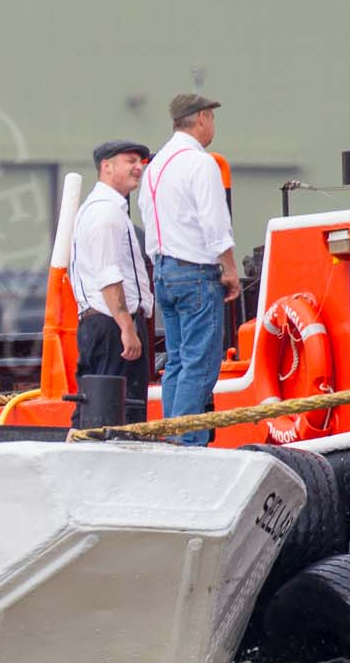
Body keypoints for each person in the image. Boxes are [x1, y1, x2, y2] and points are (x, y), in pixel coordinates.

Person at [142, 92, 239, 446]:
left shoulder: (154, 167)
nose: (213, 123)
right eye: (211, 116)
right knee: (200, 363)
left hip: (164, 272)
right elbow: (215, 223)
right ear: (201, 119)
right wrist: (228, 268)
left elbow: (150, 222)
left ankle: (177, 433)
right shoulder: (201, 164)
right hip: (196, 273)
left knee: (179, 361)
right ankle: (183, 443)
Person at [69, 139, 153, 424]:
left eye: (139, 162)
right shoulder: (106, 213)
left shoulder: (103, 209)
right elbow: (108, 277)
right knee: (114, 412)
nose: (138, 167)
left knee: (98, 409)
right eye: (130, 161)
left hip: (104, 325)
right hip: (111, 325)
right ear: (107, 167)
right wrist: (127, 328)